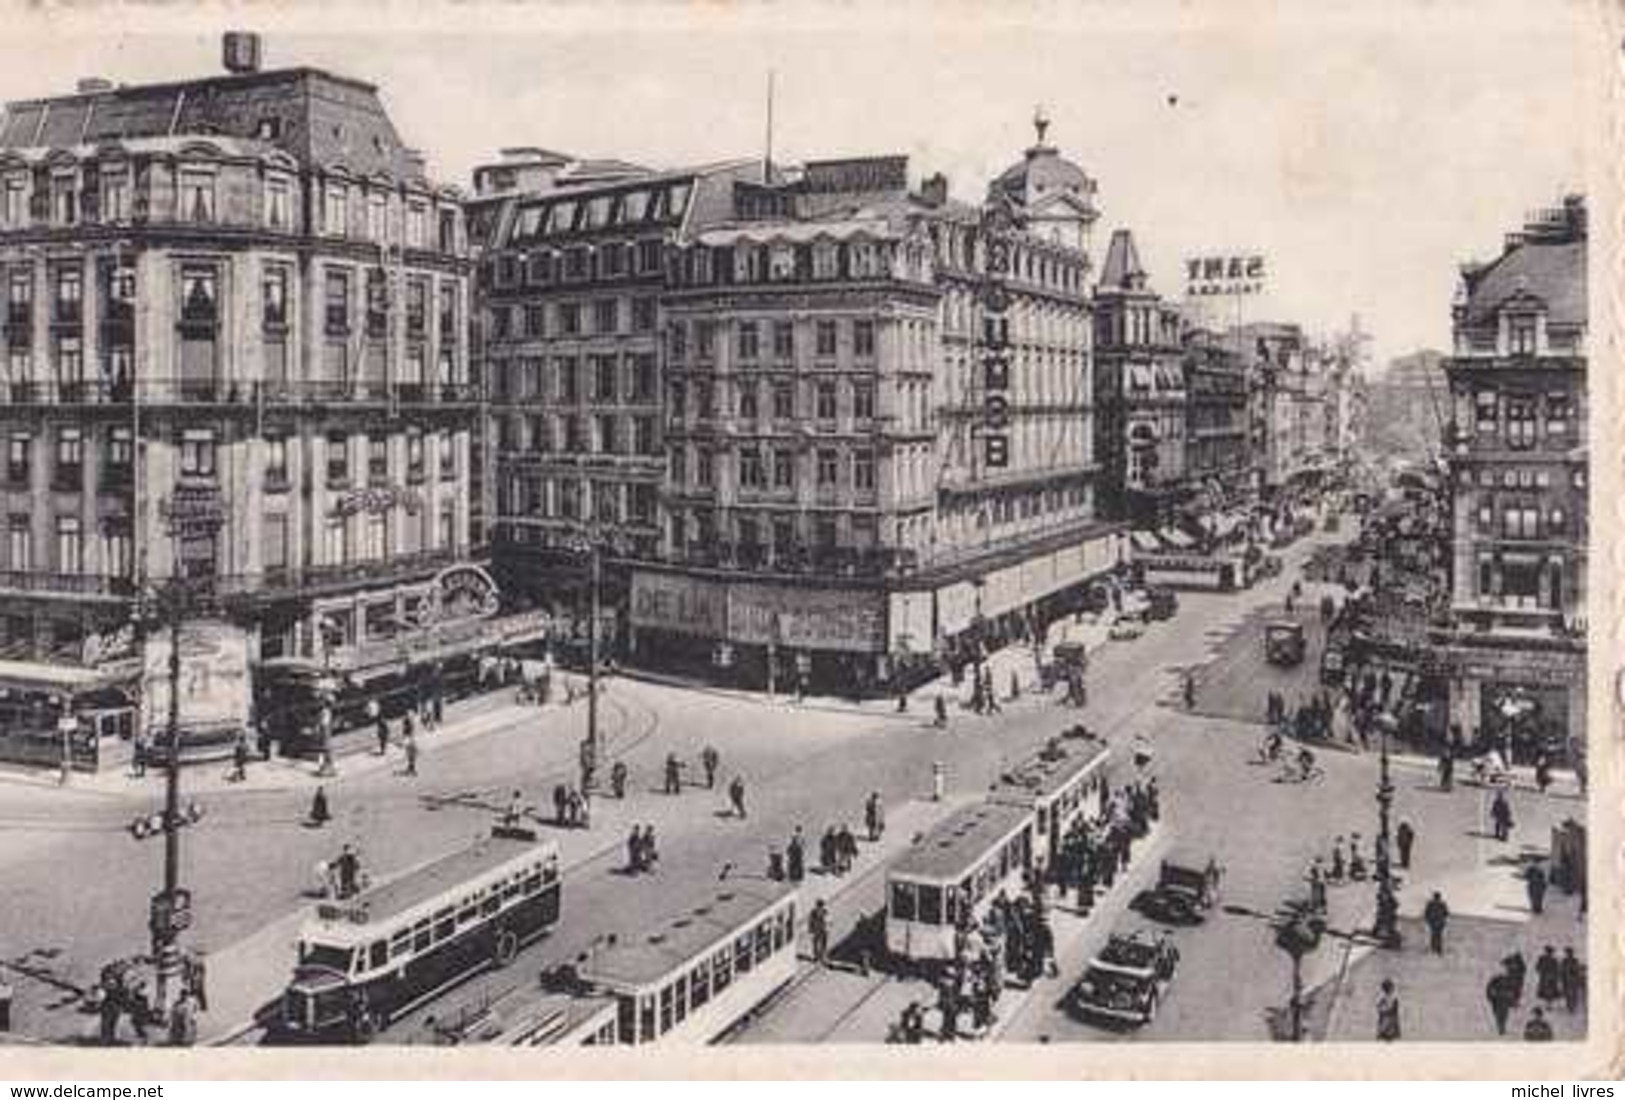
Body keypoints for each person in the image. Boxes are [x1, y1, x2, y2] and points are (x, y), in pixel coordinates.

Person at [1485, 970, 1515, 1036]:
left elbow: (1512, 991)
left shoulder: (1508, 981)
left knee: (1503, 1015)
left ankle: (1502, 1028)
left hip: (1503, 1000)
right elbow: (1489, 990)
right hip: (1497, 1001)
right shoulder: (1494, 981)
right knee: (1499, 1015)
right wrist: (1491, 996)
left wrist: (1511, 999)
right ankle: (1501, 1028)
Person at [1560, 948, 1584, 1013]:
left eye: (1569, 953)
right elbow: (1562, 970)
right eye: (1567, 953)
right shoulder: (1564, 961)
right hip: (1567, 980)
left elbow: (1577, 970)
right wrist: (1562, 978)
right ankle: (1569, 1007)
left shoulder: (1575, 961)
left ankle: (1573, 1007)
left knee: (1574, 994)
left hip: (1573, 980)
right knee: (1567, 994)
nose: (1568, 954)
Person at [809, 899, 830, 965]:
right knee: (815, 943)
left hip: (824, 930)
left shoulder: (825, 912)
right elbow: (811, 921)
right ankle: (816, 956)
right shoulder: (813, 912)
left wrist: (828, 927)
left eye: (822, 906)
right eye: (820, 906)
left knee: (824, 944)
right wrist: (811, 929)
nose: (821, 907)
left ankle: (823, 956)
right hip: (817, 930)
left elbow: (828, 920)